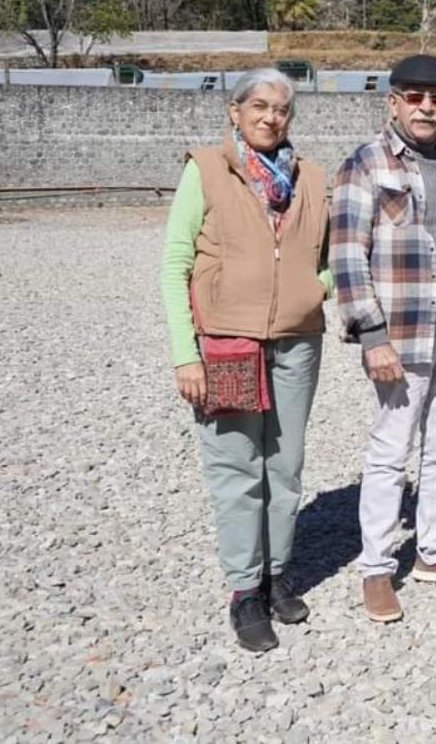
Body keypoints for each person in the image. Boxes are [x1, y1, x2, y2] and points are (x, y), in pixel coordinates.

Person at [161, 68, 331, 652]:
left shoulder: (310, 177)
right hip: (227, 342)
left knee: (284, 467)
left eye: (280, 108)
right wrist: (186, 355)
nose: (269, 117)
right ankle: (244, 590)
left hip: (297, 340)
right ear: (234, 111)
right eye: (257, 105)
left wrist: (316, 286)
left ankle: (277, 573)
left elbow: (327, 257)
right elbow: (174, 265)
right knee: (236, 471)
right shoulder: (205, 169)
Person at [331, 54, 436, 624]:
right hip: (401, 335)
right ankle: (377, 567)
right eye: (416, 98)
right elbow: (348, 256)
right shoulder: (366, 164)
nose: (428, 107)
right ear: (394, 102)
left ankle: (434, 550)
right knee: (391, 450)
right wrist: (371, 334)